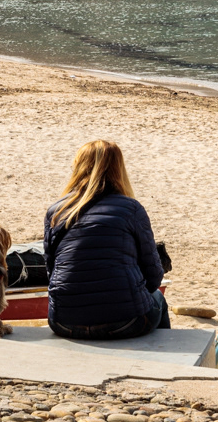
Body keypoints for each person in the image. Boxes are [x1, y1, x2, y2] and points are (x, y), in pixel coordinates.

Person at [44, 140, 168, 339]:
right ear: (119, 169)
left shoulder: (57, 211)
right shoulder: (131, 209)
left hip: (64, 322)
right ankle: (164, 365)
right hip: (125, 322)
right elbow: (153, 276)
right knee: (158, 299)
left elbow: (52, 270)